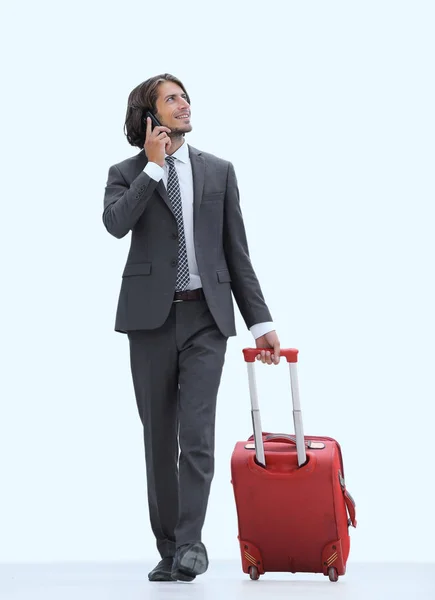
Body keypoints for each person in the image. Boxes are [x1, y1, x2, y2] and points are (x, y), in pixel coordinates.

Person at [102, 73, 280, 583]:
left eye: (185, 97)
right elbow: (115, 223)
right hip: (150, 322)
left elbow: (236, 253)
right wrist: (153, 171)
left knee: (196, 433)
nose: (184, 105)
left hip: (207, 317)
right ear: (149, 116)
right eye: (172, 99)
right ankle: (169, 547)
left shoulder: (218, 171)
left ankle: (191, 543)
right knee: (159, 437)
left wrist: (260, 321)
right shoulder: (126, 172)